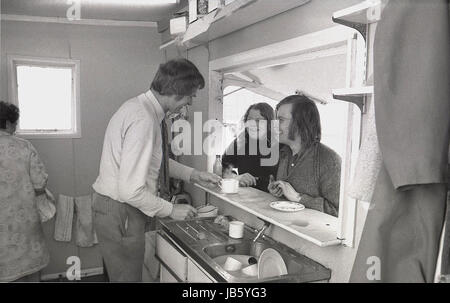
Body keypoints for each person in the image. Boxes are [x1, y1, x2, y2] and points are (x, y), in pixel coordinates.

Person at [92, 58, 221, 282]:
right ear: (176, 92)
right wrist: (171, 209)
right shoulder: (144, 119)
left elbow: (156, 162)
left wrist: (194, 174)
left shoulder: (141, 108)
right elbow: (130, 191)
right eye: (190, 96)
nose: (189, 103)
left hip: (116, 207)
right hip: (121, 209)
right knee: (127, 279)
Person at [0, 101, 50, 282]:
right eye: (14, 124)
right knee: (30, 269)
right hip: (24, 221)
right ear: (7, 123)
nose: (15, 128)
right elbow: (40, 181)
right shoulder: (23, 146)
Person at [268, 95, 341, 217]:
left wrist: (298, 197)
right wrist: (279, 191)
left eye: (281, 120)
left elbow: (339, 213)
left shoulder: (329, 160)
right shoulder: (284, 153)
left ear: (301, 123)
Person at [221, 103, 278, 192]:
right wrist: (235, 177)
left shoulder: (281, 143)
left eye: (259, 120)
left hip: (273, 199)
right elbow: (223, 167)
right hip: (246, 195)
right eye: (249, 120)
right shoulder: (241, 140)